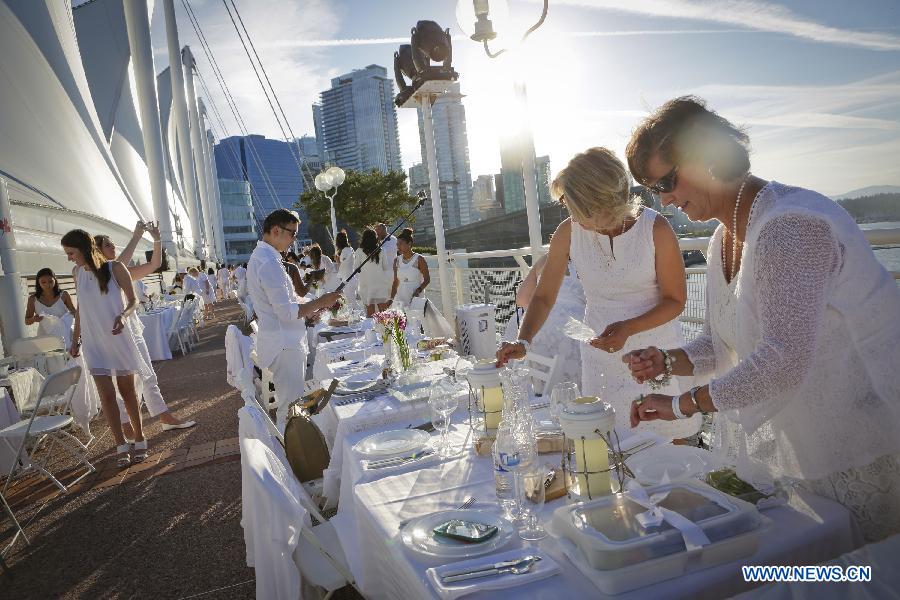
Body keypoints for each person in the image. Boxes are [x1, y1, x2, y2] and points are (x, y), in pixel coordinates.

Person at [623, 96, 900, 542]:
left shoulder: (790, 225)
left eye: (667, 182)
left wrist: (680, 405)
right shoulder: (722, 238)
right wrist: (667, 361)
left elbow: (782, 360)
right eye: (655, 191)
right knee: (807, 570)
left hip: (857, 443)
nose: (666, 200)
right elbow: (720, 344)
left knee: (857, 575)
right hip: (803, 444)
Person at [496, 147, 699, 440]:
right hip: (600, 360)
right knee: (605, 443)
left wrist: (628, 329)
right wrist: (523, 340)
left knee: (670, 446)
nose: (572, 217)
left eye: (576, 208)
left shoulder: (656, 229)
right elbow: (543, 297)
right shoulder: (568, 232)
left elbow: (676, 300)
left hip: (655, 356)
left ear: (601, 202)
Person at [95, 225, 196, 436]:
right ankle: (126, 428)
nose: (113, 246)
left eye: (113, 243)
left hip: (132, 327)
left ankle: (164, 417)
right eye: (107, 245)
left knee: (148, 375)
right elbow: (115, 265)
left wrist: (157, 239)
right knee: (120, 381)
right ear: (97, 251)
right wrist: (137, 236)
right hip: (112, 332)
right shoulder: (96, 274)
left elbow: (155, 264)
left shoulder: (120, 270)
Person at [247, 209, 342, 429]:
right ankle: (291, 459)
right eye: (292, 234)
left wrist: (312, 307)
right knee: (291, 408)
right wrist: (320, 302)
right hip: (284, 346)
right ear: (276, 230)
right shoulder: (268, 262)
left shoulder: (266, 257)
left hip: (283, 342)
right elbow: (286, 312)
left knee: (292, 405)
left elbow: (287, 302)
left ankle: (293, 452)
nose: (294, 240)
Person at [62, 229, 150, 468]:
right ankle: (121, 444)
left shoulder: (115, 268)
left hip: (118, 336)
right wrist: (75, 339)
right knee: (107, 396)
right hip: (94, 343)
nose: (69, 257)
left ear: (83, 248)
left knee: (128, 392)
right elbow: (81, 309)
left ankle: (140, 437)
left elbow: (133, 301)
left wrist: (123, 316)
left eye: (71, 252)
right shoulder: (77, 273)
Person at [501, 253, 586, 390]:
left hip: (536, 325)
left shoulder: (546, 259)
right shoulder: (589, 258)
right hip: (575, 327)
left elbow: (522, 299)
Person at [25, 267, 77, 348]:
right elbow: (27, 321)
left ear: (55, 280)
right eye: (43, 282)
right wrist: (34, 319)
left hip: (65, 334)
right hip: (45, 338)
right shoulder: (32, 299)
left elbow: (75, 313)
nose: (47, 285)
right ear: (38, 283)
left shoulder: (64, 295)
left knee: (68, 358)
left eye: (50, 281)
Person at [354, 228, 392, 316]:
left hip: (366, 284)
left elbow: (356, 268)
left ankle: (371, 329)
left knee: (370, 313)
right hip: (380, 284)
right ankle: (384, 329)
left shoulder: (359, 251)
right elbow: (385, 267)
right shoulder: (381, 250)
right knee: (383, 313)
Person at [389, 228, 430, 308]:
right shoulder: (396, 260)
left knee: (416, 319)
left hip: (415, 297)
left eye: (401, 243)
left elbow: (427, 279)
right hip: (400, 297)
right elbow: (396, 281)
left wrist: (418, 290)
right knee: (400, 319)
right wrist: (391, 299)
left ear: (409, 243)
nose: (398, 246)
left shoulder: (419, 259)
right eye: (397, 244)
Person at [334, 230, 357, 306]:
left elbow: (343, 266)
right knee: (351, 301)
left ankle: (360, 315)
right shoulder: (350, 249)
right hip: (351, 278)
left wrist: (337, 261)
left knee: (351, 303)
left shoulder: (344, 251)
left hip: (348, 280)